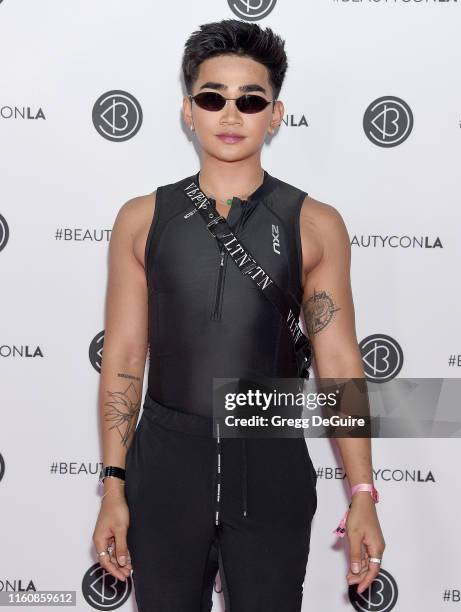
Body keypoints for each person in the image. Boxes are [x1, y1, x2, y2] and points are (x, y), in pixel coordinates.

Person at [92, 18, 385, 612]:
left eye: (250, 100)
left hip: (270, 461)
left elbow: (337, 362)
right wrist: (114, 485)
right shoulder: (142, 220)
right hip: (167, 464)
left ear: (275, 114)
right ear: (188, 110)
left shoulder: (314, 224)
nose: (230, 114)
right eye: (212, 97)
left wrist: (361, 492)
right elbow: (123, 359)